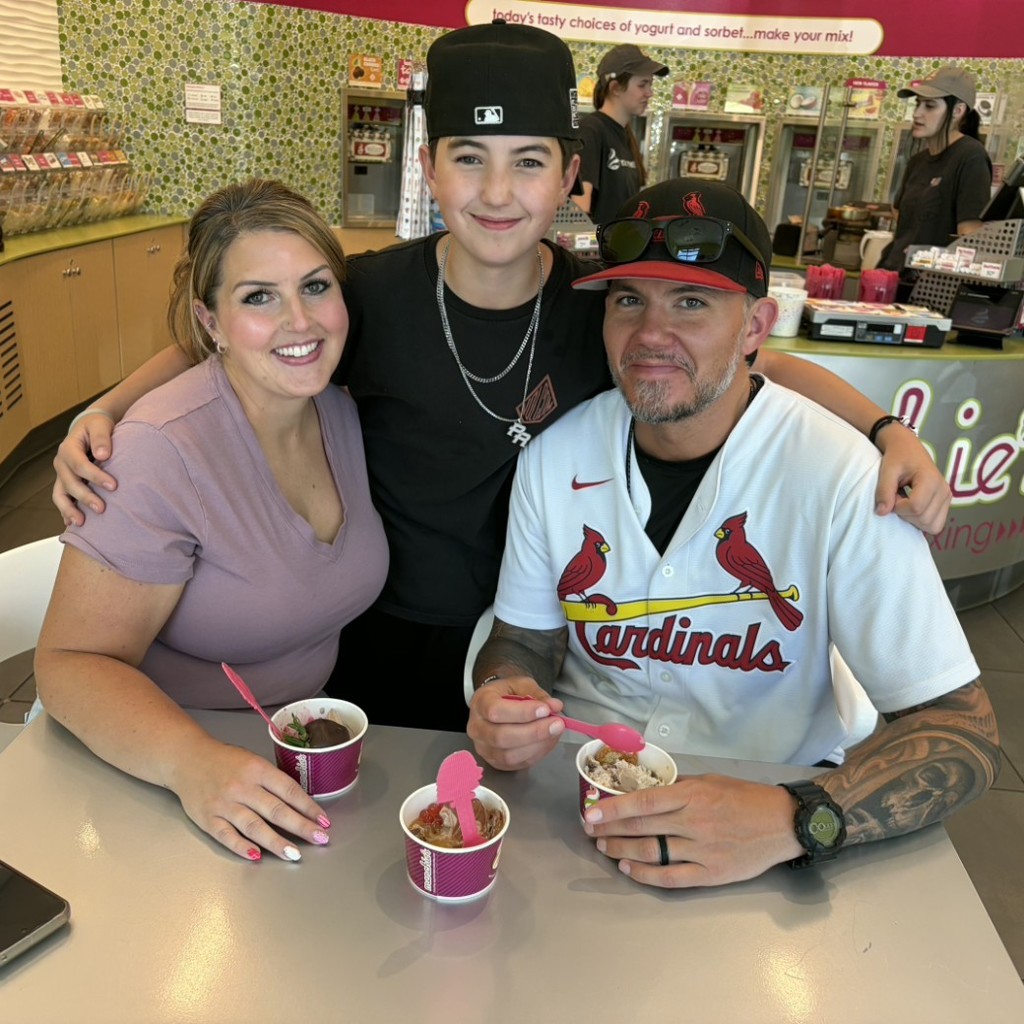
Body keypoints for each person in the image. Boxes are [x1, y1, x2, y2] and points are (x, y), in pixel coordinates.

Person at [51, 23, 950, 734]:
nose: (496, 192)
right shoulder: (368, 296)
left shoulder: (597, 305)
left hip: (536, 638)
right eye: (468, 159)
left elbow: (751, 359)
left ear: (568, 175)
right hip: (377, 631)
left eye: (527, 161)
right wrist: (110, 409)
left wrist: (884, 431)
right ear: (429, 166)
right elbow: (230, 342)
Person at [467, 177, 999, 889]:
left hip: (772, 808)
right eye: (629, 300)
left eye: (692, 302)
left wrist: (793, 817)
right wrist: (504, 690)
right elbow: (525, 638)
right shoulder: (555, 458)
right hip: (574, 804)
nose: (650, 334)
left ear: (754, 327)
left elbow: (963, 732)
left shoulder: (843, 476)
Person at [34, 179, 389, 863]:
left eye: (315, 287)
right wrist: (192, 762)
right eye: (258, 297)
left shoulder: (336, 408)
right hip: (158, 774)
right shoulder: (159, 453)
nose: (300, 320)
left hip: (294, 752)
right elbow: (68, 666)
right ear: (211, 322)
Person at [880, 65, 992, 290]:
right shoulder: (917, 161)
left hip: (932, 289)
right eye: (917, 104)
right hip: (895, 279)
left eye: (930, 106)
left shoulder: (970, 156)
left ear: (958, 110)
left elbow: (969, 237)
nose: (917, 114)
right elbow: (900, 216)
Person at [573, 43, 668, 225]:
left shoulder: (626, 136)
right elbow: (579, 210)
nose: (649, 93)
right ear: (615, 87)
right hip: (598, 243)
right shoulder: (591, 130)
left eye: (650, 84)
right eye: (642, 85)